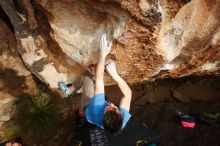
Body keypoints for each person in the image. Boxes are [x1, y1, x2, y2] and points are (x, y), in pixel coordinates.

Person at [59, 33, 132, 133]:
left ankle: (69, 90)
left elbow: (99, 78)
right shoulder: (120, 122)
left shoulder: (97, 106)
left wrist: (102, 54)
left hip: (88, 106)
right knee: (94, 81)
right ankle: (74, 89)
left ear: (103, 116)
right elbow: (128, 94)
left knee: (87, 75)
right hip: (96, 114)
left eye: (108, 108)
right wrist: (116, 76)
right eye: (116, 107)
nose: (113, 105)